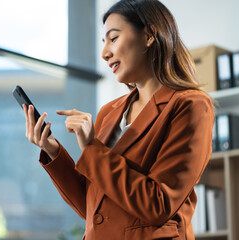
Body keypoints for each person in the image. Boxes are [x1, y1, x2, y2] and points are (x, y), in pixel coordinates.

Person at [22, 0, 214, 239]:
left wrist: (92, 148)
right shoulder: (109, 113)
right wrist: (52, 151)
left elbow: (159, 204)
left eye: (113, 39)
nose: (104, 53)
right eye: (104, 42)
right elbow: (92, 207)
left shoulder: (190, 105)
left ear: (149, 35)